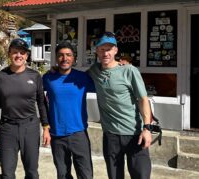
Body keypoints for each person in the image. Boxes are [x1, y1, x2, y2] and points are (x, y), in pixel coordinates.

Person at [88, 32, 152, 179]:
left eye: (109, 49)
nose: (105, 53)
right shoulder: (94, 71)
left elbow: (143, 100)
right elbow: (75, 77)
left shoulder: (129, 70)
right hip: (111, 136)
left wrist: (147, 128)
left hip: (134, 134)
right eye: (102, 49)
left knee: (141, 175)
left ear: (115, 50)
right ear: (97, 51)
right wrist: (55, 71)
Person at [0, 38, 51, 179]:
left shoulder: (35, 76)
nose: (18, 55)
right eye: (15, 52)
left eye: (22, 52)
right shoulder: (0, 77)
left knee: (32, 171)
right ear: (9, 54)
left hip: (30, 127)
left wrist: (46, 128)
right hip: (8, 128)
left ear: (27, 56)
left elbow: (42, 103)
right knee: (7, 172)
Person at [43, 41, 95, 179]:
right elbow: (36, 99)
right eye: (60, 55)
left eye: (68, 55)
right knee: (63, 174)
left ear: (74, 58)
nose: (64, 58)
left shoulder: (83, 78)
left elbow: (104, 82)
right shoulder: (48, 78)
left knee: (86, 174)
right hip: (57, 134)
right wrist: (45, 127)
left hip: (79, 134)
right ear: (56, 58)